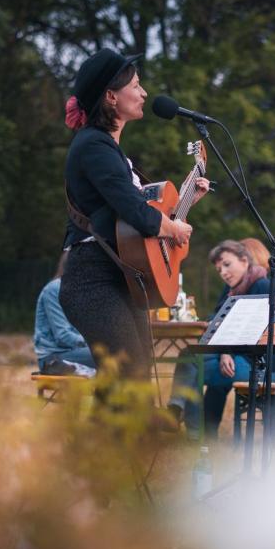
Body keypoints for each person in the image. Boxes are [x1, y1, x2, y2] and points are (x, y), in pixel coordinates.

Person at [59, 48, 208, 379]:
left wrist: (185, 204)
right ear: (111, 96)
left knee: (135, 377)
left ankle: (113, 433)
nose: (143, 93)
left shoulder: (108, 149)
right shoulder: (94, 146)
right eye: (136, 85)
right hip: (92, 280)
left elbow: (133, 213)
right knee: (127, 377)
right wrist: (174, 229)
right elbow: (138, 215)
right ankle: (100, 433)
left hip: (120, 275)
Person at [172, 240, 275, 438]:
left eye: (227, 264)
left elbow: (247, 333)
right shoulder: (236, 288)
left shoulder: (263, 286)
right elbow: (223, 323)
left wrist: (226, 351)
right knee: (190, 356)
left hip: (265, 367)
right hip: (246, 360)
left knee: (191, 360)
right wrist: (225, 351)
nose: (223, 272)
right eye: (218, 269)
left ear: (244, 261)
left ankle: (192, 429)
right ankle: (186, 420)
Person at [34, 255, 94, 374]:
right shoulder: (55, 289)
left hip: (75, 351)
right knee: (108, 355)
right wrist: (94, 342)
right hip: (54, 358)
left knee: (117, 353)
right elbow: (63, 336)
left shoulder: (81, 291)